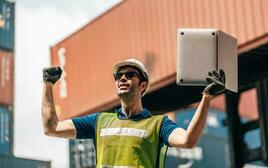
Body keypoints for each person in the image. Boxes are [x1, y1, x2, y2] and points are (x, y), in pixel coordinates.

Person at [42, 58, 226, 168]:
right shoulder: (99, 121)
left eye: (130, 74)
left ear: (143, 85)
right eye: (118, 76)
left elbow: (188, 141)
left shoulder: (159, 125)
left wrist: (207, 97)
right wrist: (48, 84)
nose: (122, 78)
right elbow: (52, 128)